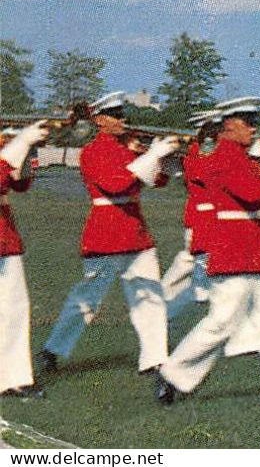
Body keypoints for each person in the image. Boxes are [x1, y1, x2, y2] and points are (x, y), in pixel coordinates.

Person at [155, 98, 260, 409]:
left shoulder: (242, 157)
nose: (254, 127)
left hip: (257, 250)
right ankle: (172, 373)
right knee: (221, 323)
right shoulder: (222, 159)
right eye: (248, 121)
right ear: (229, 124)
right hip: (233, 250)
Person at [40, 92, 173, 376]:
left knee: (149, 297)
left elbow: (160, 180)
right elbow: (116, 185)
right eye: (116, 114)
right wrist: (149, 155)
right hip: (106, 232)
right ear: (100, 120)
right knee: (87, 299)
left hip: (136, 233)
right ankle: (52, 349)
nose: (123, 119)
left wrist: (156, 156)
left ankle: (154, 358)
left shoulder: (129, 148)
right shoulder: (92, 151)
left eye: (123, 113)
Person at [0, 118, 51, 398]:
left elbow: (17, 184)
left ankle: (14, 376)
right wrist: (19, 143)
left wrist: (28, 150)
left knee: (14, 307)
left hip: (4, 235)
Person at [161, 111, 221, 320]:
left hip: (205, 221)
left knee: (188, 263)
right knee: (200, 287)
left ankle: (161, 296)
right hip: (204, 222)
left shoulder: (199, 154)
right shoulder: (196, 157)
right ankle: (162, 312)